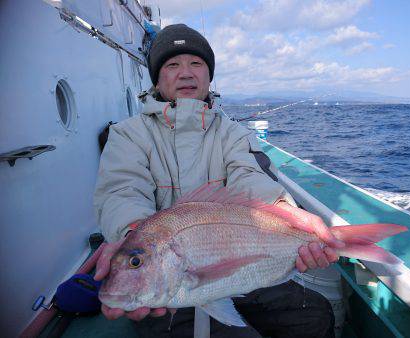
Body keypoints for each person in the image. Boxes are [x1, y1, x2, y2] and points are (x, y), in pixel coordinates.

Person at [93, 24, 344, 337]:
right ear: (157, 79)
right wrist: (134, 237)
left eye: (196, 64)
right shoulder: (127, 135)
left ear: (209, 76)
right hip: (170, 291)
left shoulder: (234, 133)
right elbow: (122, 190)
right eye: (172, 65)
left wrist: (282, 209)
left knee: (315, 317)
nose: (186, 73)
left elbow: (251, 177)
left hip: (243, 270)